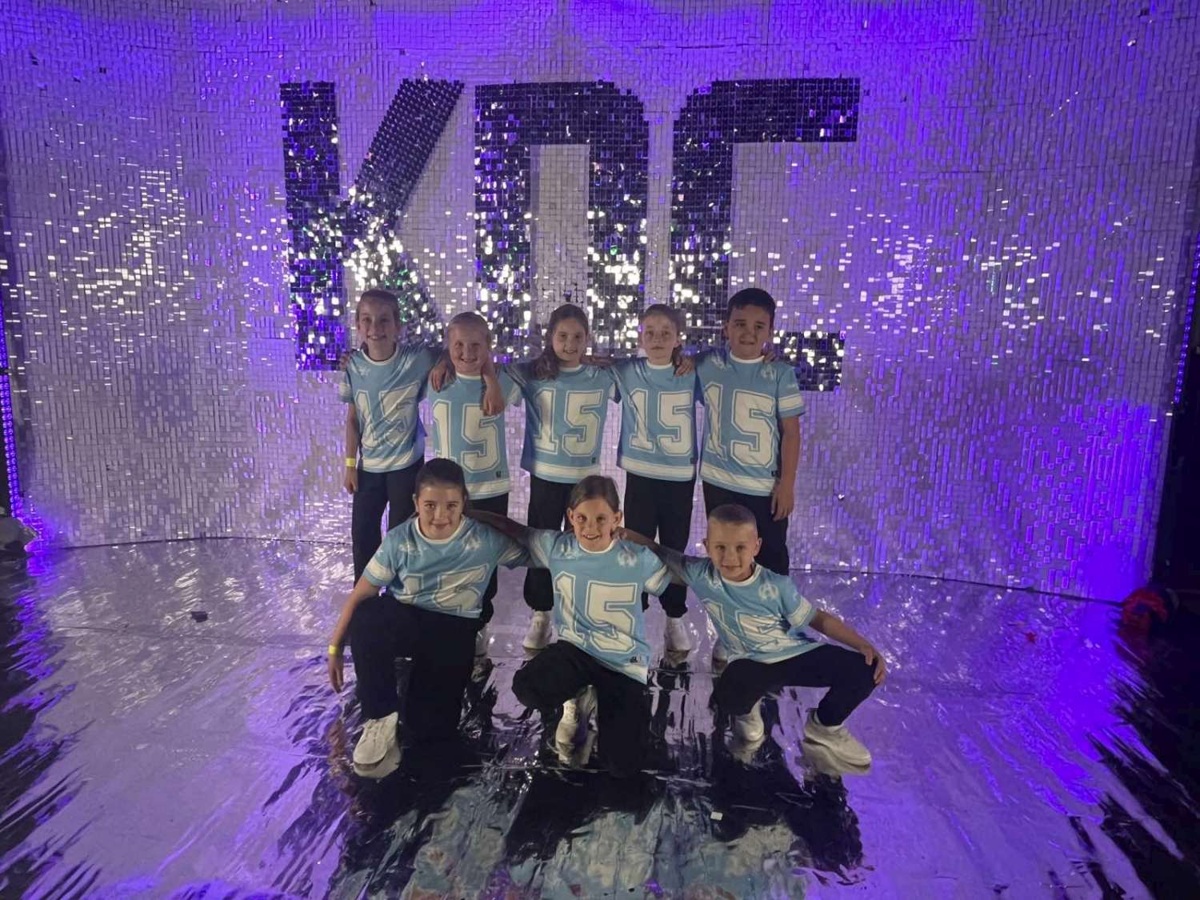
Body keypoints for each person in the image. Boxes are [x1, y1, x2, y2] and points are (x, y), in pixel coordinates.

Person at [624, 503, 885, 772]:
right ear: (707, 546)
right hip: (751, 663)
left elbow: (818, 618)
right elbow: (658, 551)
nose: (730, 557)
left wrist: (862, 644)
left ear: (756, 546)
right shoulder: (702, 574)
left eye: (740, 547)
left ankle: (825, 725)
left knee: (866, 670)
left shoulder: (775, 585)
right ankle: (748, 711)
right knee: (729, 693)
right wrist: (619, 532)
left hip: (794, 655)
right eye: (720, 547)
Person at [325, 459, 528, 777]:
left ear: (464, 503)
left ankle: (421, 708)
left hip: (452, 629)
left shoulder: (485, 540)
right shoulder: (400, 540)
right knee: (368, 615)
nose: (440, 516)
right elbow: (360, 594)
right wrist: (335, 647)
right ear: (416, 502)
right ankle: (380, 718)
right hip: (406, 619)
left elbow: (543, 553)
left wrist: (599, 543)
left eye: (451, 506)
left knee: (429, 730)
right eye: (430, 505)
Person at [469, 475, 670, 778]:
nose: (591, 527)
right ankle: (577, 694)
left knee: (623, 763)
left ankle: (605, 702)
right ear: (570, 517)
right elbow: (517, 530)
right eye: (582, 518)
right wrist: (469, 513)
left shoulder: (637, 558)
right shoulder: (558, 548)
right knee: (527, 687)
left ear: (617, 519)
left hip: (623, 663)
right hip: (576, 650)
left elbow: (676, 573)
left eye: (601, 519)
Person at [340, 290, 501, 581]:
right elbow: (352, 419)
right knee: (363, 534)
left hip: (406, 466)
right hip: (368, 468)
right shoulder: (353, 366)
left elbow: (458, 352)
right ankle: (364, 598)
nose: (375, 328)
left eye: (384, 320)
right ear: (357, 324)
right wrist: (350, 464)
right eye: (367, 320)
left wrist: (454, 368)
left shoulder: (417, 359)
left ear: (398, 326)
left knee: (403, 536)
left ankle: (401, 591)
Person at [696, 288, 803, 663]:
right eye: (740, 324)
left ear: (770, 332)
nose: (748, 332)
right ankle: (732, 634)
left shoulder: (780, 373)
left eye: (759, 326)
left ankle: (774, 632)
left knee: (770, 560)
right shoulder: (708, 365)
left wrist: (786, 484)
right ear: (725, 327)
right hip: (719, 483)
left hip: (763, 486)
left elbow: (791, 433)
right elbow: (670, 365)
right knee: (727, 562)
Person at [508, 304, 618, 651]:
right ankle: (541, 613)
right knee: (541, 546)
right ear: (550, 337)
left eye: (577, 337)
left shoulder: (602, 376)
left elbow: (638, 372)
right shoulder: (532, 373)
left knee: (584, 546)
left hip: (584, 482)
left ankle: (578, 615)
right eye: (562, 336)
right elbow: (496, 371)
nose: (570, 344)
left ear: (588, 339)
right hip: (546, 475)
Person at [427, 311, 518, 656]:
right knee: (448, 559)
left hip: (489, 488)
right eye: (459, 345)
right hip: (448, 494)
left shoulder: (503, 381)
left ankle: (479, 628)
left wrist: (491, 378)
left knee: (484, 563)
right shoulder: (434, 378)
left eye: (476, 345)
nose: (467, 352)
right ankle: (449, 625)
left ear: (489, 345)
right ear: (447, 346)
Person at [610, 303, 699, 653]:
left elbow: (727, 365)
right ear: (640, 338)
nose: (658, 339)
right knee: (637, 547)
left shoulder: (693, 372)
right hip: (641, 474)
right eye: (650, 333)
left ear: (678, 339)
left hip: (679, 476)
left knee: (675, 548)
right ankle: (636, 615)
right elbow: (591, 364)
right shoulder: (627, 371)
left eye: (666, 333)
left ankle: (674, 617)